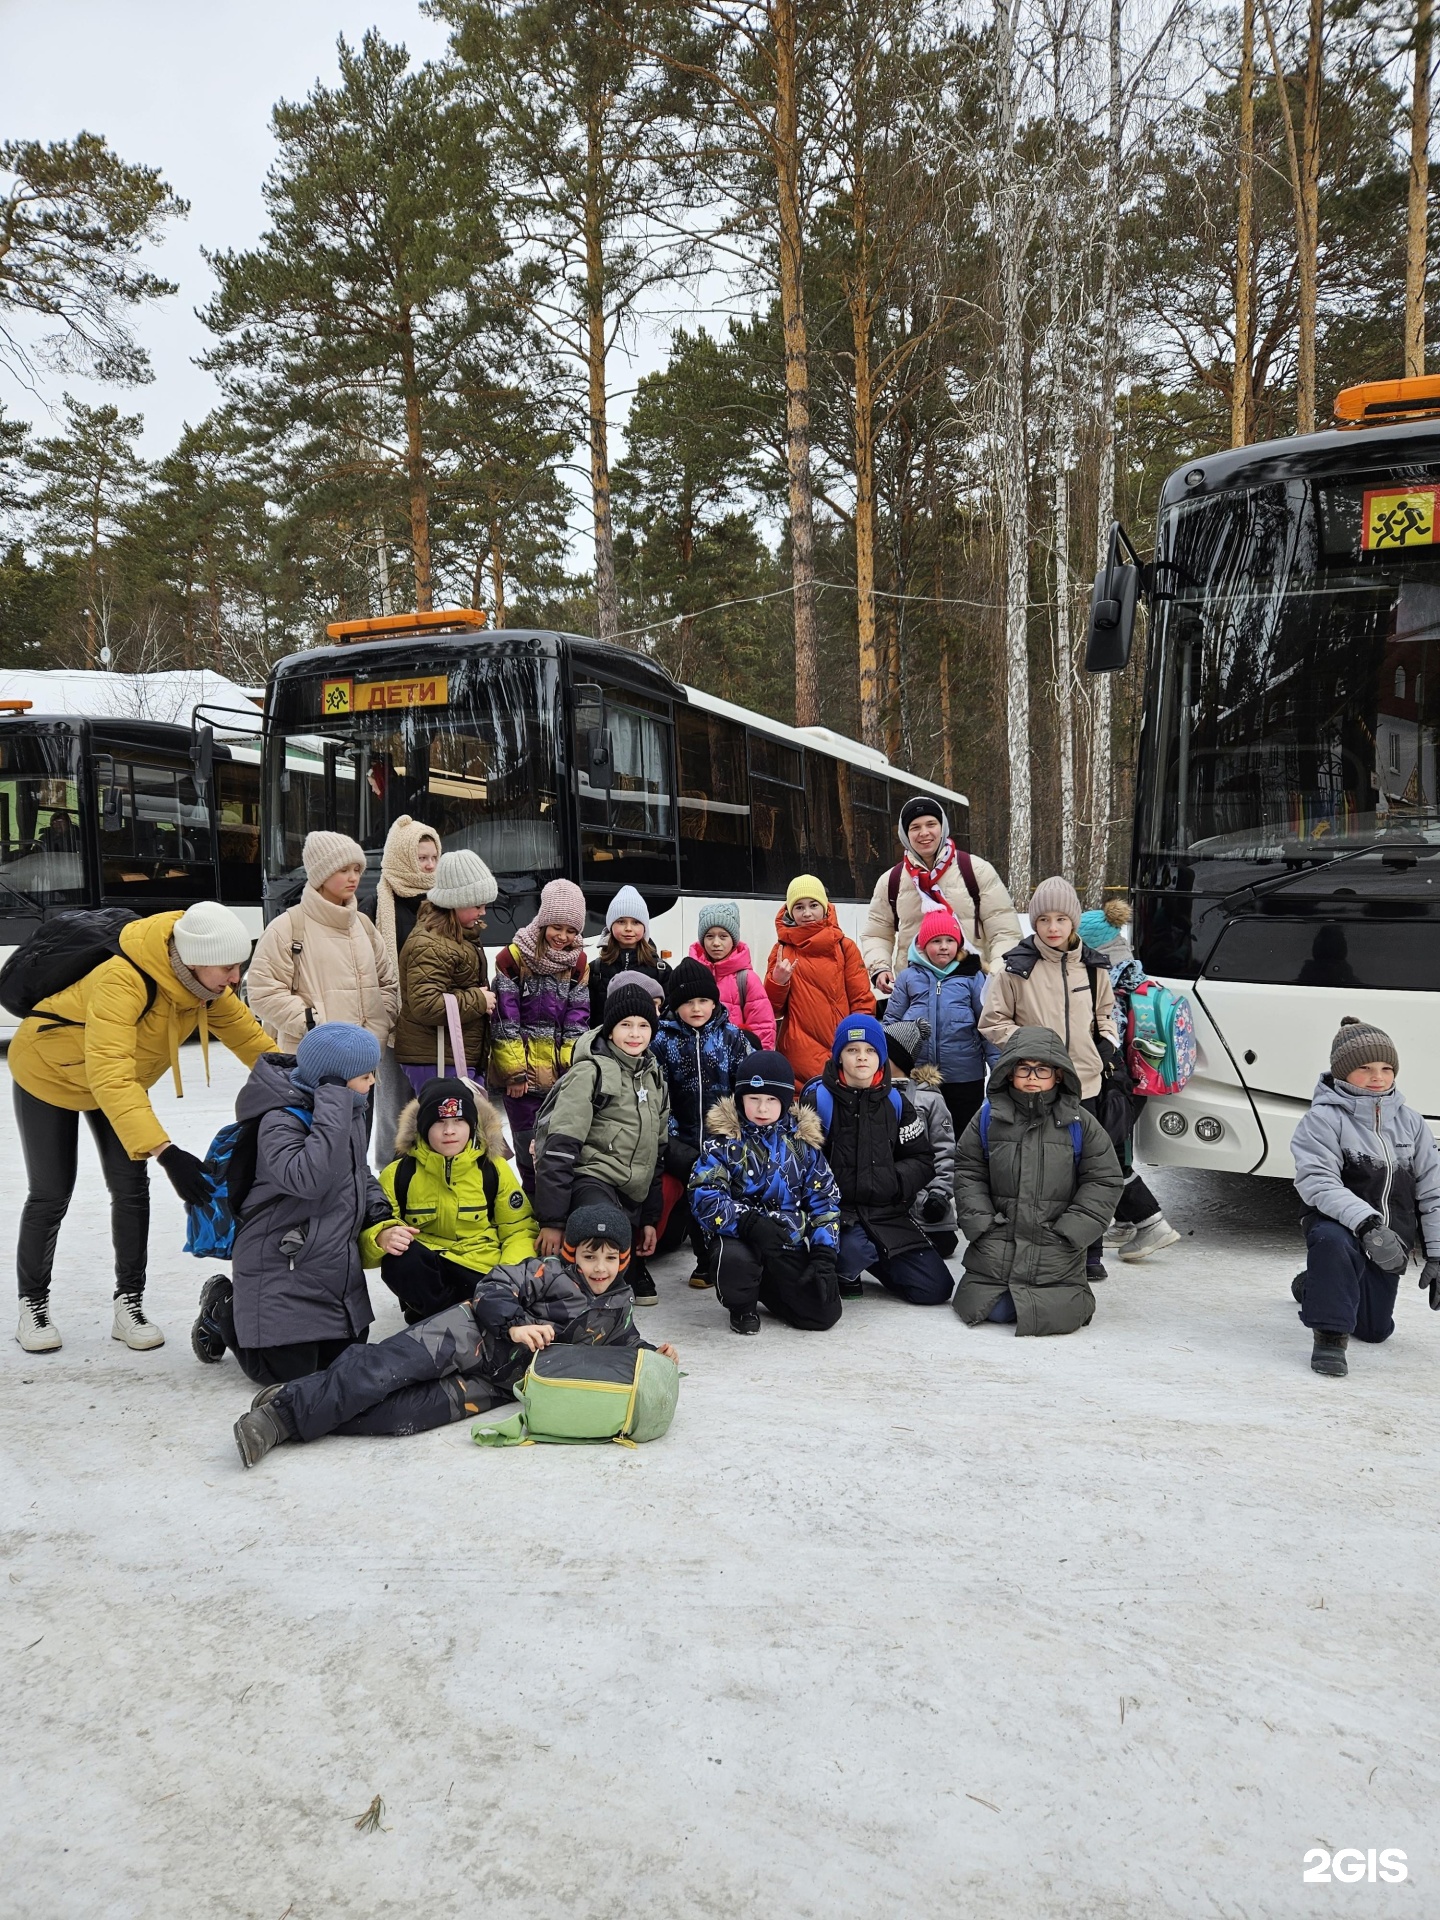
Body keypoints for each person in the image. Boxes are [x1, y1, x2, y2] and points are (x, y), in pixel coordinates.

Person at [232, 1201, 677, 1467]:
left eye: (609, 1258)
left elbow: (624, 1342)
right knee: (381, 1371)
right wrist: (516, 1324)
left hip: (498, 1382)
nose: (599, 1267)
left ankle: (295, 1395)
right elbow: (493, 1287)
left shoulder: (618, 1302)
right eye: (589, 1255)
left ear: (623, 1260)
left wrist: (653, 1354)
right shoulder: (546, 1272)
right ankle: (278, 1420)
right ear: (571, 1253)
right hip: (466, 1333)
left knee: (402, 1415)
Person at [11, 902, 272, 1355]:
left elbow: (256, 1045)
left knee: (132, 1189)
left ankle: (128, 1302)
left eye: (239, 967)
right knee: (51, 1192)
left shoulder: (206, 990)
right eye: (228, 968)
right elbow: (109, 1072)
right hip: (47, 1073)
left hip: (115, 1083)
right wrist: (166, 1151)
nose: (235, 978)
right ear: (196, 959)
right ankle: (32, 1304)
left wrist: (313, 1082)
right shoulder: (123, 979)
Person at [195, 1023, 391, 1388]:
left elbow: (356, 1171)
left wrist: (380, 1210)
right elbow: (308, 1179)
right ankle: (225, 1307)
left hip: (330, 1265)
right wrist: (333, 1102)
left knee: (346, 1361)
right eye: (366, 1075)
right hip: (282, 1261)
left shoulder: (347, 1112)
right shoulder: (280, 1120)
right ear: (334, 1082)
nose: (373, 1082)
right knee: (283, 1373)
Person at [979, 876, 1120, 1279]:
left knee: (1087, 1171)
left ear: (1073, 922)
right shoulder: (1015, 968)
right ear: (1034, 922)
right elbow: (992, 1022)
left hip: (1087, 1084)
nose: (1053, 928)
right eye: (1044, 919)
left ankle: (1090, 1251)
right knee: (1044, 1173)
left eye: (1061, 919)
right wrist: (1025, 1048)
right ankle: (1041, 1246)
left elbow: (1105, 1013)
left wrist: (1106, 1041)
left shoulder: (1093, 967)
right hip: (1035, 1088)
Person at [1289, 1017, 1440, 1378]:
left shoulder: (1412, 1123)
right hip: (1342, 1227)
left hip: (1393, 1238)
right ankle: (1328, 1336)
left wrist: (1437, 1252)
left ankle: (1314, 1285)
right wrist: (1368, 1223)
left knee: (1374, 1331)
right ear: (1342, 1072)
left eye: (1387, 1068)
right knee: (1332, 1242)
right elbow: (1318, 1181)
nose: (1378, 1077)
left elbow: (1433, 1189)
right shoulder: (1323, 1120)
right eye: (1365, 1068)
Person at [951, 1027, 1124, 1337]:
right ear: (1009, 1071)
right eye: (1023, 1067)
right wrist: (982, 1225)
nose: (1032, 1076)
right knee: (999, 1309)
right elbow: (968, 1171)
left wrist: (1071, 1232)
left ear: (1058, 1075)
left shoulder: (1080, 1123)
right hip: (998, 1243)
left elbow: (1104, 1179)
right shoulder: (988, 1119)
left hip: (1055, 1246)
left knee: (1048, 1312)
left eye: (1042, 1069)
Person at [801, 1015, 954, 1306]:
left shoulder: (897, 1102)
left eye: (870, 1050)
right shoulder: (817, 1097)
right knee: (853, 1249)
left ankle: (872, 1258)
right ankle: (848, 1261)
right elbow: (800, 1165)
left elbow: (922, 1158)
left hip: (886, 1213)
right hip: (837, 1214)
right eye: (852, 1050)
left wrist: (893, 1182)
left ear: (881, 1056)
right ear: (839, 1055)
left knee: (935, 1288)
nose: (862, 1058)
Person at [531, 982, 669, 1303]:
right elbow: (559, 1146)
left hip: (630, 1190)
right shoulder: (590, 1073)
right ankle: (576, 1297)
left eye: (643, 1025)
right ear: (609, 1030)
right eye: (625, 1024)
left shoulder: (654, 1076)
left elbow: (656, 1154)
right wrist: (552, 1222)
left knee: (623, 1252)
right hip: (592, 1180)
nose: (635, 1033)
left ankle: (626, 1271)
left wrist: (650, 1219)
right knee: (601, 1228)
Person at [688, 1050, 842, 1335]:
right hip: (740, 1236)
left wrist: (824, 1254)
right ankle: (742, 1304)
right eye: (754, 1099)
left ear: (785, 1102)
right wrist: (749, 1223)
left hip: (785, 1240)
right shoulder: (723, 1143)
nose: (762, 1109)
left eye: (771, 1100)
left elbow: (825, 1200)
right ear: (740, 1099)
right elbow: (704, 1195)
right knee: (734, 1263)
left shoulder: (802, 1144)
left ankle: (768, 1286)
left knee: (823, 1314)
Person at [359, 1076, 535, 1321]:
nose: (450, 1131)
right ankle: (452, 1320)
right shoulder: (399, 1173)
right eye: (439, 1121)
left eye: (459, 1120)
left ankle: (458, 1319)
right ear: (423, 1127)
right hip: (430, 1277)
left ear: (472, 1125)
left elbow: (519, 1229)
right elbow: (367, 1235)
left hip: (481, 1269)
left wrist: (505, 1277)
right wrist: (381, 1236)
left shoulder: (493, 1168)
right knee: (400, 1260)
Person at [1083, 898, 1183, 1267]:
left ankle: (1150, 1221)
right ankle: (1123, 1222)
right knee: (1116, 1147)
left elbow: (1108, 1038)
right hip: (1138, 1078)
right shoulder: (1134, 973)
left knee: (1106, 1154)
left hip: (1115, 1081)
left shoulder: (1107, 981)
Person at [651, 957, 757, 1287]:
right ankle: (705, 1259)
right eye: (687, 1003)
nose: (696, 1009)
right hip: (681, 1138)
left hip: (723, 1138)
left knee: (725, 1195)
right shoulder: (663, 1041)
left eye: (703, 1001)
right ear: (675, 1005)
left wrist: (740, 1132)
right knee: (698, 1193)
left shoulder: (733, 1038)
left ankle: (725, 1256)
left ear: (714, 1002)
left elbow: (745, 1090)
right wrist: (670, 1138)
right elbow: (659, 1094)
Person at [246, 831, 400, 1056]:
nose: (353, 877)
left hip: (365, 1060)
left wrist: (381, 1021)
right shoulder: (288, 927)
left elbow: (387, 982)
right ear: (321, 873)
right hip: (311, 1060)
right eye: (343, 869)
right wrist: (311, 1024)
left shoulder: (363, 925)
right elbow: (263, 992)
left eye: (357, 869)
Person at [489, 878, 591, 1190]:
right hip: (522, 1078)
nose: (563, 937)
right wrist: (515, 1073)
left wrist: (570, 1069)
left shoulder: (578, 963)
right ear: (543, 920)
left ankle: (555, 1208)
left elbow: (577, 1020)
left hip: (560, 1078)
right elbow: (506, 1020)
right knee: (526, 1145)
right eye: (557, 927)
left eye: (571, 931)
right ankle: (532, 1205)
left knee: (559, 1147)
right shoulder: (513, 958)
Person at [861, 796, 1022, 992]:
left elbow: (1005, 932)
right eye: (915, 827)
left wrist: (996, 974)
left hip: (973, 988)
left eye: (931, 824)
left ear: (942, 827)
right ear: (905, 833)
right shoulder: (892, 880)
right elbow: (877, 933)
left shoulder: (976, 870)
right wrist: (880, 967)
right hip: (915, 991)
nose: (924, 833)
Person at [391, 848, 498, 1095]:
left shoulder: (455, 936)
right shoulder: (431, 944)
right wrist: (478, 1000)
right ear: (455, 902)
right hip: (437, 1056)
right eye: (477, 905)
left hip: (449, 1053)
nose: (483, 912)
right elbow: (426, 1004)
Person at [883, 907, 995, 1138]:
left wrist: (998, 1066)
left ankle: (963, 1173)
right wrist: (889, 1065)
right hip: (918, 1074)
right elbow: (891, 1022)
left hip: (964, 1076)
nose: (943, 946)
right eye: (936, 941)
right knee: (922, 1133)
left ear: (959, 944)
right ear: (923, 946)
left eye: (949, 940)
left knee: (964, 1134)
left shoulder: (973, 976)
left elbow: (987, 1024)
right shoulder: (908, 977)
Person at [373, 814, 441, 1156]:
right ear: (402, 856)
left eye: (433, 858)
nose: (429, 866)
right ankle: (390, 1176)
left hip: (431, 1020)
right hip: (392, 1021)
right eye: (421, 858)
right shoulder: (377, 905)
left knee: (432, 1106)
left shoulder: (444, 902)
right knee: (393, 1108)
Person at [764, 876, 873, 1088]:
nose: (807, 913)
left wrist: (857, 1045)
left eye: (813, 905)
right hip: (796, 1061)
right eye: (799, 907)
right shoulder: (781, 951)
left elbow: (862, 1002)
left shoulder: (845, 947)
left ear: (824, 907)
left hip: (841, 1055)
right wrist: (777, 982)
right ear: (790, 912)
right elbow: (771, 1011)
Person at [882, 1018, 959, 1259]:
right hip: (882, 1197)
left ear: (899, 1060)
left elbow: (944, 1151)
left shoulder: (930, 1099)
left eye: (881, 1053)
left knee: (943, 1245)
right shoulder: (871, 1094)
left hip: (921, 1199)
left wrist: (939, 1194)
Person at [690, 903, 776, 1046]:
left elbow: (763, 1028)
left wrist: (757, 1063)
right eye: (709, 936)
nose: (716, 943)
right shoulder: (691, 974)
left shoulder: (746, 979)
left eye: (723, 936)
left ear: (734, 940)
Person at [588, 886, 670, 1022]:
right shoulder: (596, 969)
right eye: (621, 921)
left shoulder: (661, 970)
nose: (628, 928)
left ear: (645, 928)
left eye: (636, 922)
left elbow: (668, 1015)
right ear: (610, 925)